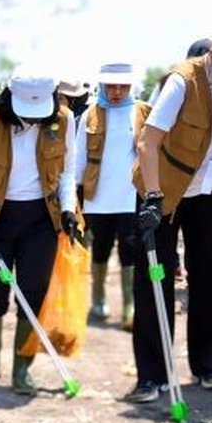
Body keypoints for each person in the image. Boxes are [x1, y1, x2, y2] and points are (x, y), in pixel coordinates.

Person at [128, 34, 212, 403]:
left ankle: (208, 367)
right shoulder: (181, 81)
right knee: (154, 283)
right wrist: (153, 198)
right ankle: (152, 376)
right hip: (166, 191)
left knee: (211, 278)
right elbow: (148, 142)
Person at [0, 64, 79, 395]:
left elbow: (66, 172)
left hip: (41, 220)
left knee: (33, 291)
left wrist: (68, 209)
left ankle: (22, 369)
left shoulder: (64, 120)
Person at [72, 61, 149, 331]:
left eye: (122, 86)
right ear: (102, 85)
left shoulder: (142, 112)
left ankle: (129, 305)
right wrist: (74, 193)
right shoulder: (91, 114)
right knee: (100, 247)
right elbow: (79, 156)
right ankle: (98, 298)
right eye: (111, 86)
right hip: (97, 195)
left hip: (130, 194)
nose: (117, 91)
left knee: (130, 248)